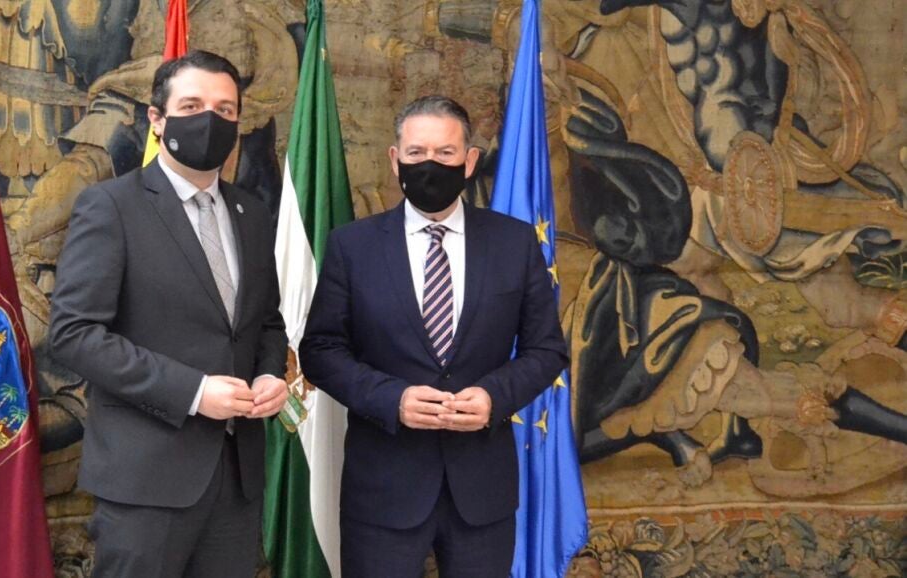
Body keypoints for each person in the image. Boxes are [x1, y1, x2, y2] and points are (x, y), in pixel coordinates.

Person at [300, 95, 569, 577]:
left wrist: (494, 396)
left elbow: (547, 349)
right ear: (395, 159)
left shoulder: (514, 243)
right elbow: (320, 351)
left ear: (470, 161)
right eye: (416, 153)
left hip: (482, 492)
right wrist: (393, 399)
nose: (430, 165)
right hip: (383, 490)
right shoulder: (352, 246)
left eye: (445, 153)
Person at [49, 50, 288, 578]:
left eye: (225, 110)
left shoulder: (251, 213)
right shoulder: (111, 206)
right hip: (146, 481)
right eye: (192, 105)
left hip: (237, 480)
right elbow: (74, 334)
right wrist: (195, 392)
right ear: (157, 119)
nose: (211, 120)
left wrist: (271, 373)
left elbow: (266, 322)